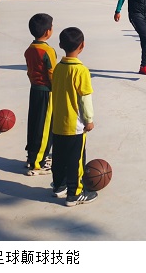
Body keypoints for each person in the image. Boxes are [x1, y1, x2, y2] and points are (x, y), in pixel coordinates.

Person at [51, 27, 98, 206]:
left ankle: (59, 186)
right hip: (74, 125)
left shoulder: (58, 68)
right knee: (75, 160)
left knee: (58, 158)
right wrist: (89, 120)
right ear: (82, 45)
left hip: (58, 123)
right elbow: (85, 98)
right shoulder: (81, 71)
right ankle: (75, 193)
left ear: (61, 45)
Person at [24, 13, 57, 176]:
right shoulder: (48, 51)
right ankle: (38, 163)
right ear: (47, 32)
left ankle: (32, 156)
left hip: (34, 89)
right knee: (45, 127)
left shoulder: (29, 49)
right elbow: (52, 73)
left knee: (34, 124)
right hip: (46, 92)